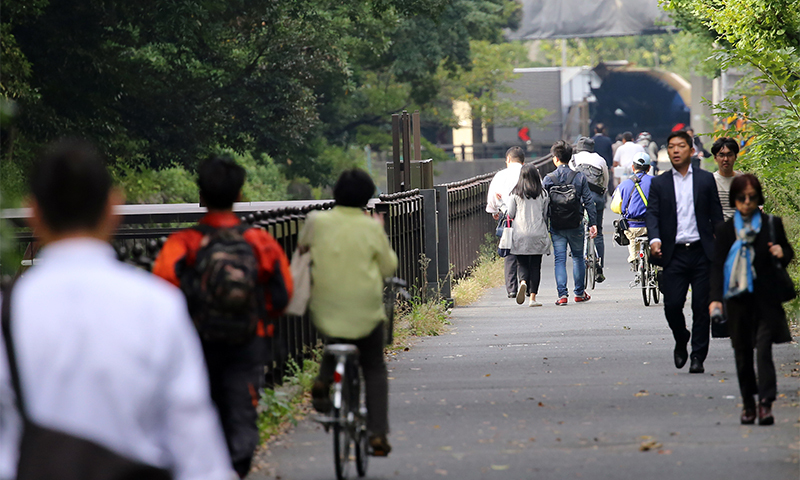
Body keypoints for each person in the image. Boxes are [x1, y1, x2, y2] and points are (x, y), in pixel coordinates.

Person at [0, 140, 234, 480]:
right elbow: (195, 447)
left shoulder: (9, 310)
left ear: (33, 212)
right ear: (113, 207)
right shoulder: (157, 306)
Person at [153, 155, 293, 477]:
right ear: (239, 195)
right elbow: (282, 293)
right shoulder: (259, 241)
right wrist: (259, 315)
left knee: (199, 409)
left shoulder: (183, 243)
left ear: (201, 194)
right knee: (241, 409)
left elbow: (162, 290)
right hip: (247, 340)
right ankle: (237, 467)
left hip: (196, 343)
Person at [303, 169, 398, 456]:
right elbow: (389, 267)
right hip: (365, 309)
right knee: (374, 367)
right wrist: (378, 231)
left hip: (324, 305)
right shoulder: (370, 227)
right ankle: (377, 434)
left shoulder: (315, 221)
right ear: (367, 198)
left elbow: (302, 251)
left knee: (334, 333)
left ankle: (324, 378)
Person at [709, 174, 793, 426]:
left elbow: (787, 252)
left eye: (752, 197)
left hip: (766, 300)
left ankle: (765, 403)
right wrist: (715, 300)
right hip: (738, 301)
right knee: (743, 353)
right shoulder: (726, 230)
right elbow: (717, 267)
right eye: (741, 198)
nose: (747, 202)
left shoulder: (770, 224)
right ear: (734, 201)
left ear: (759, 199)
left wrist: (781, 252)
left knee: (764, 350)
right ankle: (748, 402)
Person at [646, 131, 723, 374]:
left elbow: (716, 214)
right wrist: (655, 239)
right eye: (671, 146)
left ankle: (698, 356)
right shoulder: (659, 182)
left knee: (701, 307)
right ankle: (681, 338)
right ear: (667, 152)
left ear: (692, 151)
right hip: (674, 253)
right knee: (672, 304)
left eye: (681, 146)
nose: (675, 150)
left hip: (702, 253)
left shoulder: (705, 180)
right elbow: (653, 214)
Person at [543, 140, 597, 306]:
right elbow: (589, 201)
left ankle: (562, 295)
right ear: (569, 157)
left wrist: (544, 224)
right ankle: (579, 293)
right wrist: (593, 222)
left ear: (555, 159)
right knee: (578, 257)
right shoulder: (578, 177)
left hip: (557, 225)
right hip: (576, 223)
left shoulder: (548, 179)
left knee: (559, 259)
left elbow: (543, 203)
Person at [507, 164, 550, 307]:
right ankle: (532, 299)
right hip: (538, 232)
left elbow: (510, 214)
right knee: (536, 265)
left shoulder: (515, 193)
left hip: (520, 233)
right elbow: (545, 214)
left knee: (522, 263)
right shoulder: (543, 193)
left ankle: (523, 282)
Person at [486, 147, 525, 298]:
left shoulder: (500, 175)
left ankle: (512, 288)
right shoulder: (530, 173)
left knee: (509, 249)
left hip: (508, 216)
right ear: (523, 160)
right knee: (524, 249)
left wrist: (495, 211)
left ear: (508, 159)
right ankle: (524, 281)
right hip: (527, 217)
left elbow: (492, 200)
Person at [570, 136, 609, 282]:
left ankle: (579, 258)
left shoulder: (572, 159)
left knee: (578, 229)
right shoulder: (600, 159)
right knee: (597, 231)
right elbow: (605, 180)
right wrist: (602, 193)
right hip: (595, 198)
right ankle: (599, 267)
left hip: (577, 199)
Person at [611, 152, 653, 265]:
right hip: (652, 226)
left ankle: (634, 257)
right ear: (649, 168)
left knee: (632, 238)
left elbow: (615, 207)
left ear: (633, 167)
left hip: (632, 227)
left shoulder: (624, 185)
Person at [711, 137, 742, 221]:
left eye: (729, 155)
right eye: (721, 155)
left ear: (735, 157)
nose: (725, 159)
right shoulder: (710, 181)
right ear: (715, 158)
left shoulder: (744, 180)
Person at [591, 123, 614, 196]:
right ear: (604, 130)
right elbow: (610, 154)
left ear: (595, 130)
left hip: (594, 164)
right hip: (606, 164)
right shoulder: (608, 140)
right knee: (606, 181)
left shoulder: (591, 140)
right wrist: (610, 165)